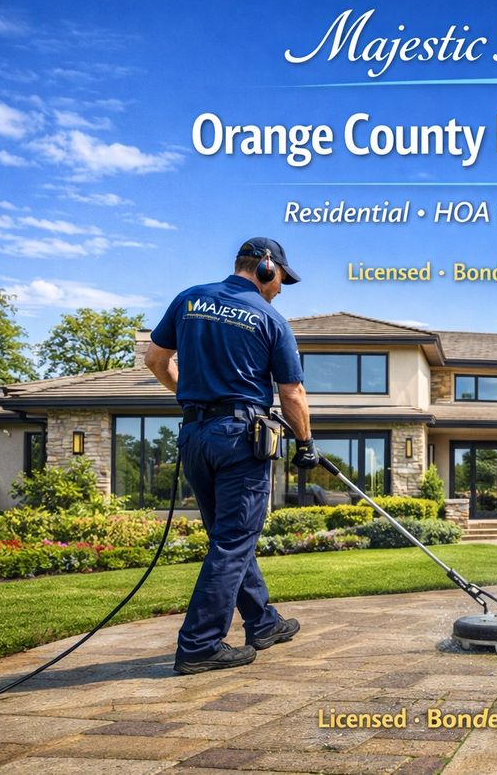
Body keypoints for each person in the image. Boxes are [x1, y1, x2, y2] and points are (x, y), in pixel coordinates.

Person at [145, 237, 320, 674]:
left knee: (228, 538)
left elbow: (155, 359)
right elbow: (292, 392)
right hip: (241, 437)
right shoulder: (269, 318)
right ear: (266, 267)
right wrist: (306, 444)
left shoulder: (188, 300)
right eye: (281, 278)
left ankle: (263, 622)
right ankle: (200, 645)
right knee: (233, 540)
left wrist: (193, 400)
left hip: (195, 436)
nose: (281, 287)